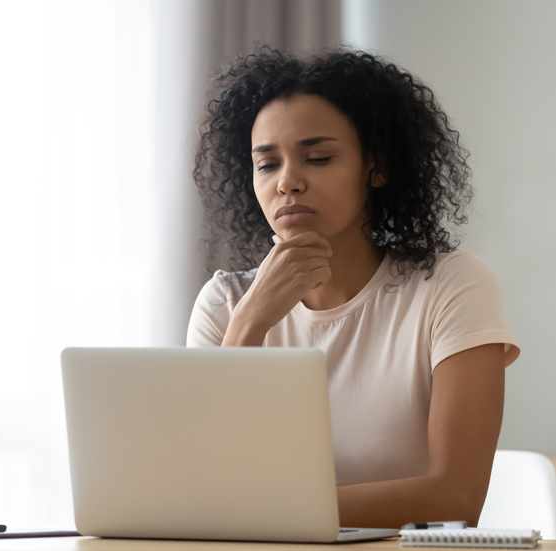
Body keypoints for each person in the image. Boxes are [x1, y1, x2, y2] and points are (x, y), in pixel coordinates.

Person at [187, 45, 520, 529]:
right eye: (267, 164)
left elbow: (456, 495)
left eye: (318, 157)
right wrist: (250, 324)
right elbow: (196, 486)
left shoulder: (449, 285)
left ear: (377, 166)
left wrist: (264, 511)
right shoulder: (226, 304)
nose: (288, 183)